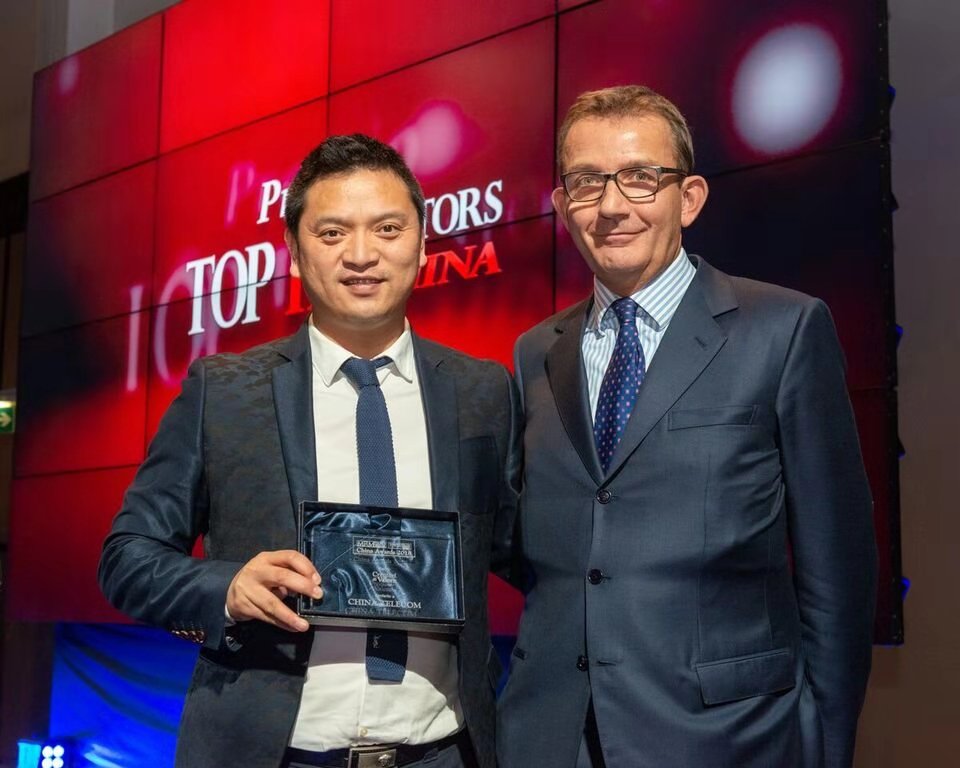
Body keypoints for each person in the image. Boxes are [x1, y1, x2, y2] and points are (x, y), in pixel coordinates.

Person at [99, 134, 520, 768]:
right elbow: (127, 557)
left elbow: (528, 550)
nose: (362, 254)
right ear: (295, 253)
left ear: (422, 245)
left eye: (387, 229)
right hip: (275, 754)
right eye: (332, 233)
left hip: (444, 753)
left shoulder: (482, 390)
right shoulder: (224, 392)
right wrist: (227, 585)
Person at [497, 85, 877, 768]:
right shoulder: (536, 352)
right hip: (552, 736)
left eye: (641, 177)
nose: (612, 206)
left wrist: (823, 744)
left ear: (690, 198)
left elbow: (837, 568)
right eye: (587, 183)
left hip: (730, 737)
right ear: (561, 205)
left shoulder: (783, 329)